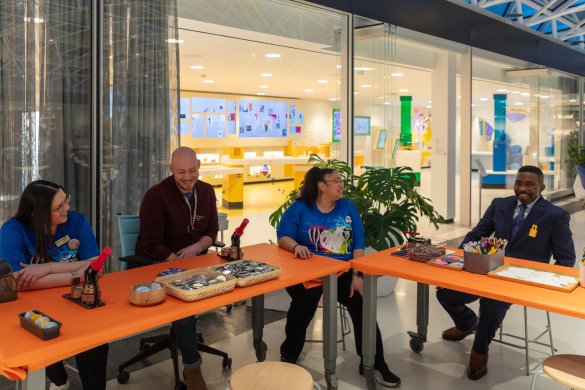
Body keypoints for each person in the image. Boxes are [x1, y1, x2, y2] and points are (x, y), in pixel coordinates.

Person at [437, 165, 575, 380]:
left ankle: (479, 351)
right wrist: (457, 260)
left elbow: (565, 259)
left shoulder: (555, 215)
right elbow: (476, 234)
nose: (522, 188)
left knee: (491, 303)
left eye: (530, 184)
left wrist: (545, 284)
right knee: (445, 292)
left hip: (522, 280)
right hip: (487, 269)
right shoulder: (499, 205)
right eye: (518, 183)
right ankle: (466, 323)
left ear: (542, 187)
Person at [276, 166, 401, 388]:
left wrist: (356, 273)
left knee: (363, 307)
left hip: (343, 272)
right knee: (302, 307)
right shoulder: (301, 208)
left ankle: (373, 362)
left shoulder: (347, 207)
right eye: (337, 180)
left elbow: (358, 244)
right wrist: (296, 246)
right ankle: (289, 357)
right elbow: (283, 235)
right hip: (309, 271)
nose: (342, 184)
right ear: (321, 185)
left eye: (341, 180)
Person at [0, 180, 109, 390]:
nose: (67, 208)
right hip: (32, 306)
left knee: (95, 340)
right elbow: (16, 282)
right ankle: (59, 379)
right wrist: (76, 274)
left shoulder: (76, 221)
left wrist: (47, 269)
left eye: (66, 201)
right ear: (37, 213)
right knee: (44, 341)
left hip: (75, 300)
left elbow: (96, 266)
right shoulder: (13, 230)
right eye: (59, 207)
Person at [135, 146, 218, 390]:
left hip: (194, 259)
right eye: (181, 172)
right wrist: (177, 260)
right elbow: (151, 244)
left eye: (192, 170)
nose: (188, 177)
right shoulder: (156, 195)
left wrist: (196, 248)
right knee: (185, 301)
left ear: (199, 166)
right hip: (160, 260)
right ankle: (192, 368)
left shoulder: (206, 191)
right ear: (171, 169)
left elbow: (211, 231)